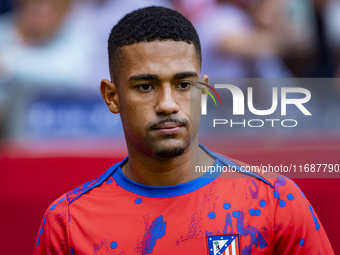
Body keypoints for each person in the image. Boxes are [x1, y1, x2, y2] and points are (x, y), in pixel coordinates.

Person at [33, 6, 334, 254]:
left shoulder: (273, 201)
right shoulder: (69, 223)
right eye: (146, 86)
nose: (167, 104)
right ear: (112, 97)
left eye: (183, 85)